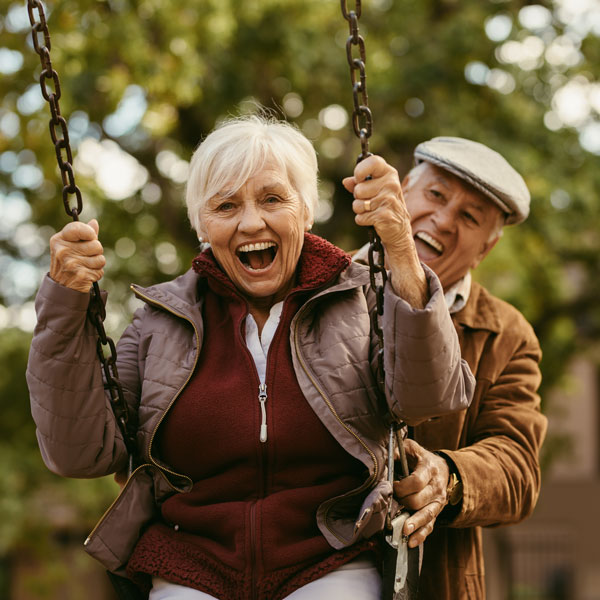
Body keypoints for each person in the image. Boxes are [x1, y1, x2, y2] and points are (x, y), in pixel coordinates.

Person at [26, 116, 475, 600]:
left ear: (305, 210)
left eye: (272, 199)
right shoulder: (158, 322)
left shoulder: (360, 298)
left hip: (331, 558)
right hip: (190, 565)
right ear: (203, 224)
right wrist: (65, 304)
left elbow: (429, 397)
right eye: (225, 205)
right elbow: (81, 454)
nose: (251, 222)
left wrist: (401, 251)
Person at [346, 136, 548, 599]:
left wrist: (448, 476)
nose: (443, 219)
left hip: (433, 582)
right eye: (436, 195)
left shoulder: (507, 335)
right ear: (403, 192)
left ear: (486, 248)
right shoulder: (317, 285)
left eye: (470, 216)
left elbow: (517, 466)